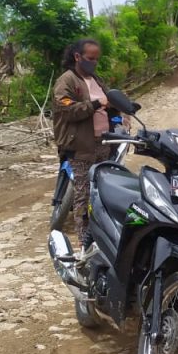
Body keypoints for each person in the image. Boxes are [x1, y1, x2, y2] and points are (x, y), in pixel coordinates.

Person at [52, 38, 120, 247]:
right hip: (80, 147)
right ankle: (84, 243)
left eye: (97, 59)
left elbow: (109, 101)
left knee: (104, 191)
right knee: (83, 194)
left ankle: (103, 237)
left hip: (103, 143)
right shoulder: (67, 81)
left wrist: (118, 110)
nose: (94, 63)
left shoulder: (96, 79)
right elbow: (67, 110)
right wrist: (96, 103)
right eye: (91, 58)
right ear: (77, 57)